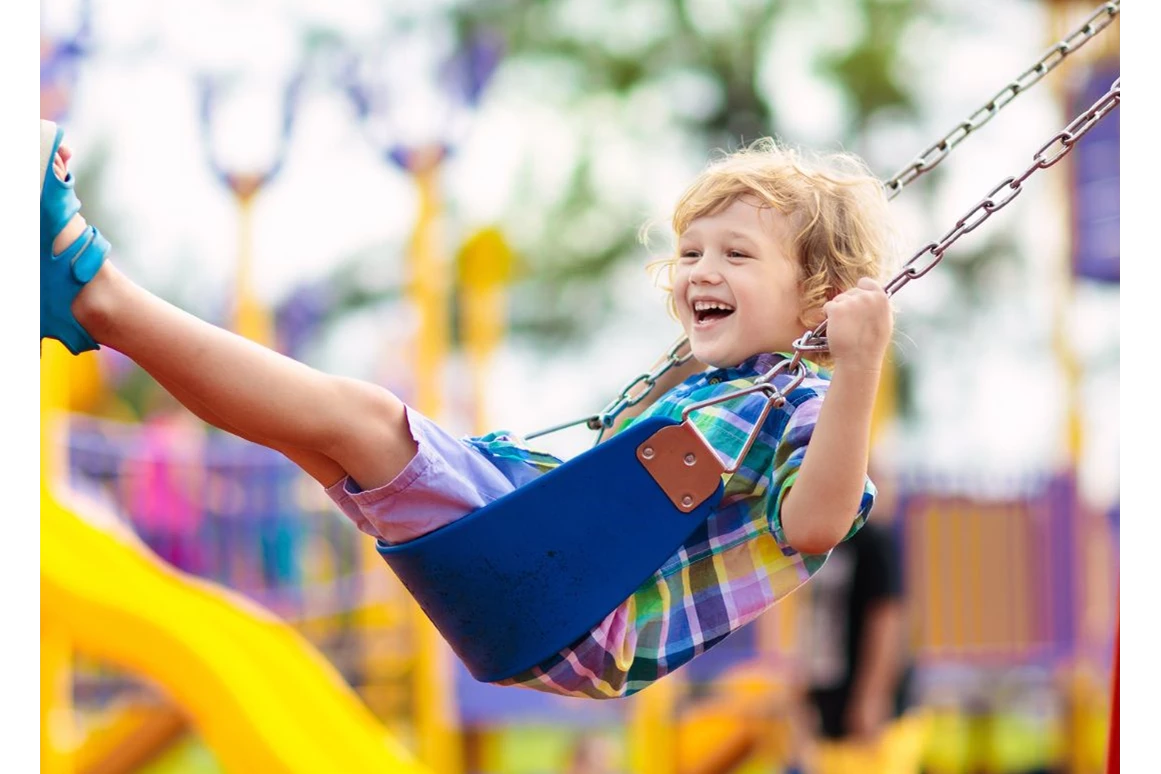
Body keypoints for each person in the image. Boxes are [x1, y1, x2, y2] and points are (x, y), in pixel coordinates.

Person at [40, 119, 897, 699]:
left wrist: (857, 365)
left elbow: (817, 522)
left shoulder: (806, 403)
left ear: (818, 295)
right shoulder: (718, 390)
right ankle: (79, 304)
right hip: (542, 582)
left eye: (735, 254)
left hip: (570, 605)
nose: (699, 270)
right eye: (689, 251)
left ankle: (90, 287)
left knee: (361, 420)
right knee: (310, 430)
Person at [789, 464, 927, 774]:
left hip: (863, 699)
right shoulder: (822, 543)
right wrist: (803, 691)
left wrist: (872, 695)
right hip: (831, 692)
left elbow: (888, 618)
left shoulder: (874, 540)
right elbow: (813, 618)